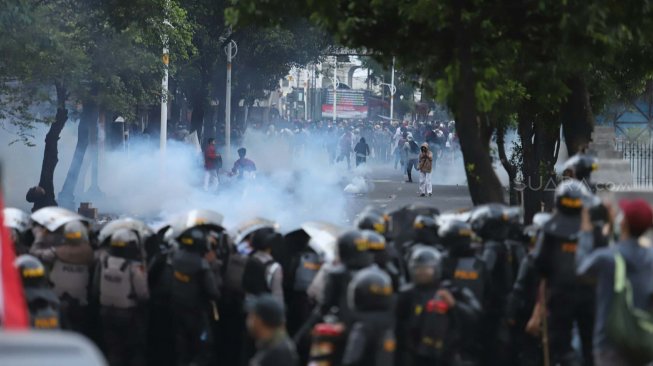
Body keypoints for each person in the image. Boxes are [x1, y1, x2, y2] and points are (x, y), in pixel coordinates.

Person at [577, 199, 653, 366]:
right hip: (643, 340)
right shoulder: (650, 257)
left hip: (610, 342)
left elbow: (581, 268)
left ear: (623, 222)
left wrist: (586, 230)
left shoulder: (607, 258)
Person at [94, 229, 149, 366]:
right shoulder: (134, 267)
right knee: (134, 350)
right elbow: (143, 293)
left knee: (114, 350)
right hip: (128, 313)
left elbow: (96, 285)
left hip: (105, 311)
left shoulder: (104, 260)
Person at [31, 220, 94, 335]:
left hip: (57, 299)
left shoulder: (56, 252)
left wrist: (39, 237)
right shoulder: (90, 253)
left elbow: (34, 253)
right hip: (81, 302)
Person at [247, 294, 299, 366]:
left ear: (259, 320)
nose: (249, 320)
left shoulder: (277, 355)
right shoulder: (272, 346)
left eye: (251, 315)